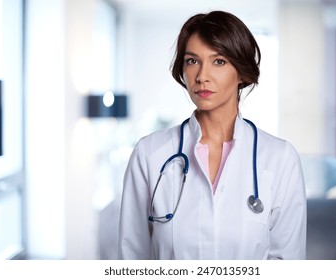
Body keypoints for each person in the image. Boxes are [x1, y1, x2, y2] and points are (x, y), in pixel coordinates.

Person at [118, 10, 306, 260]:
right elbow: (131, 259)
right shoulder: (150, 154)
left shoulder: (280, 158)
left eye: (219, 61)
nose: (202, 76)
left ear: (241, 72)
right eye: (192, 61)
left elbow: (288, 262)